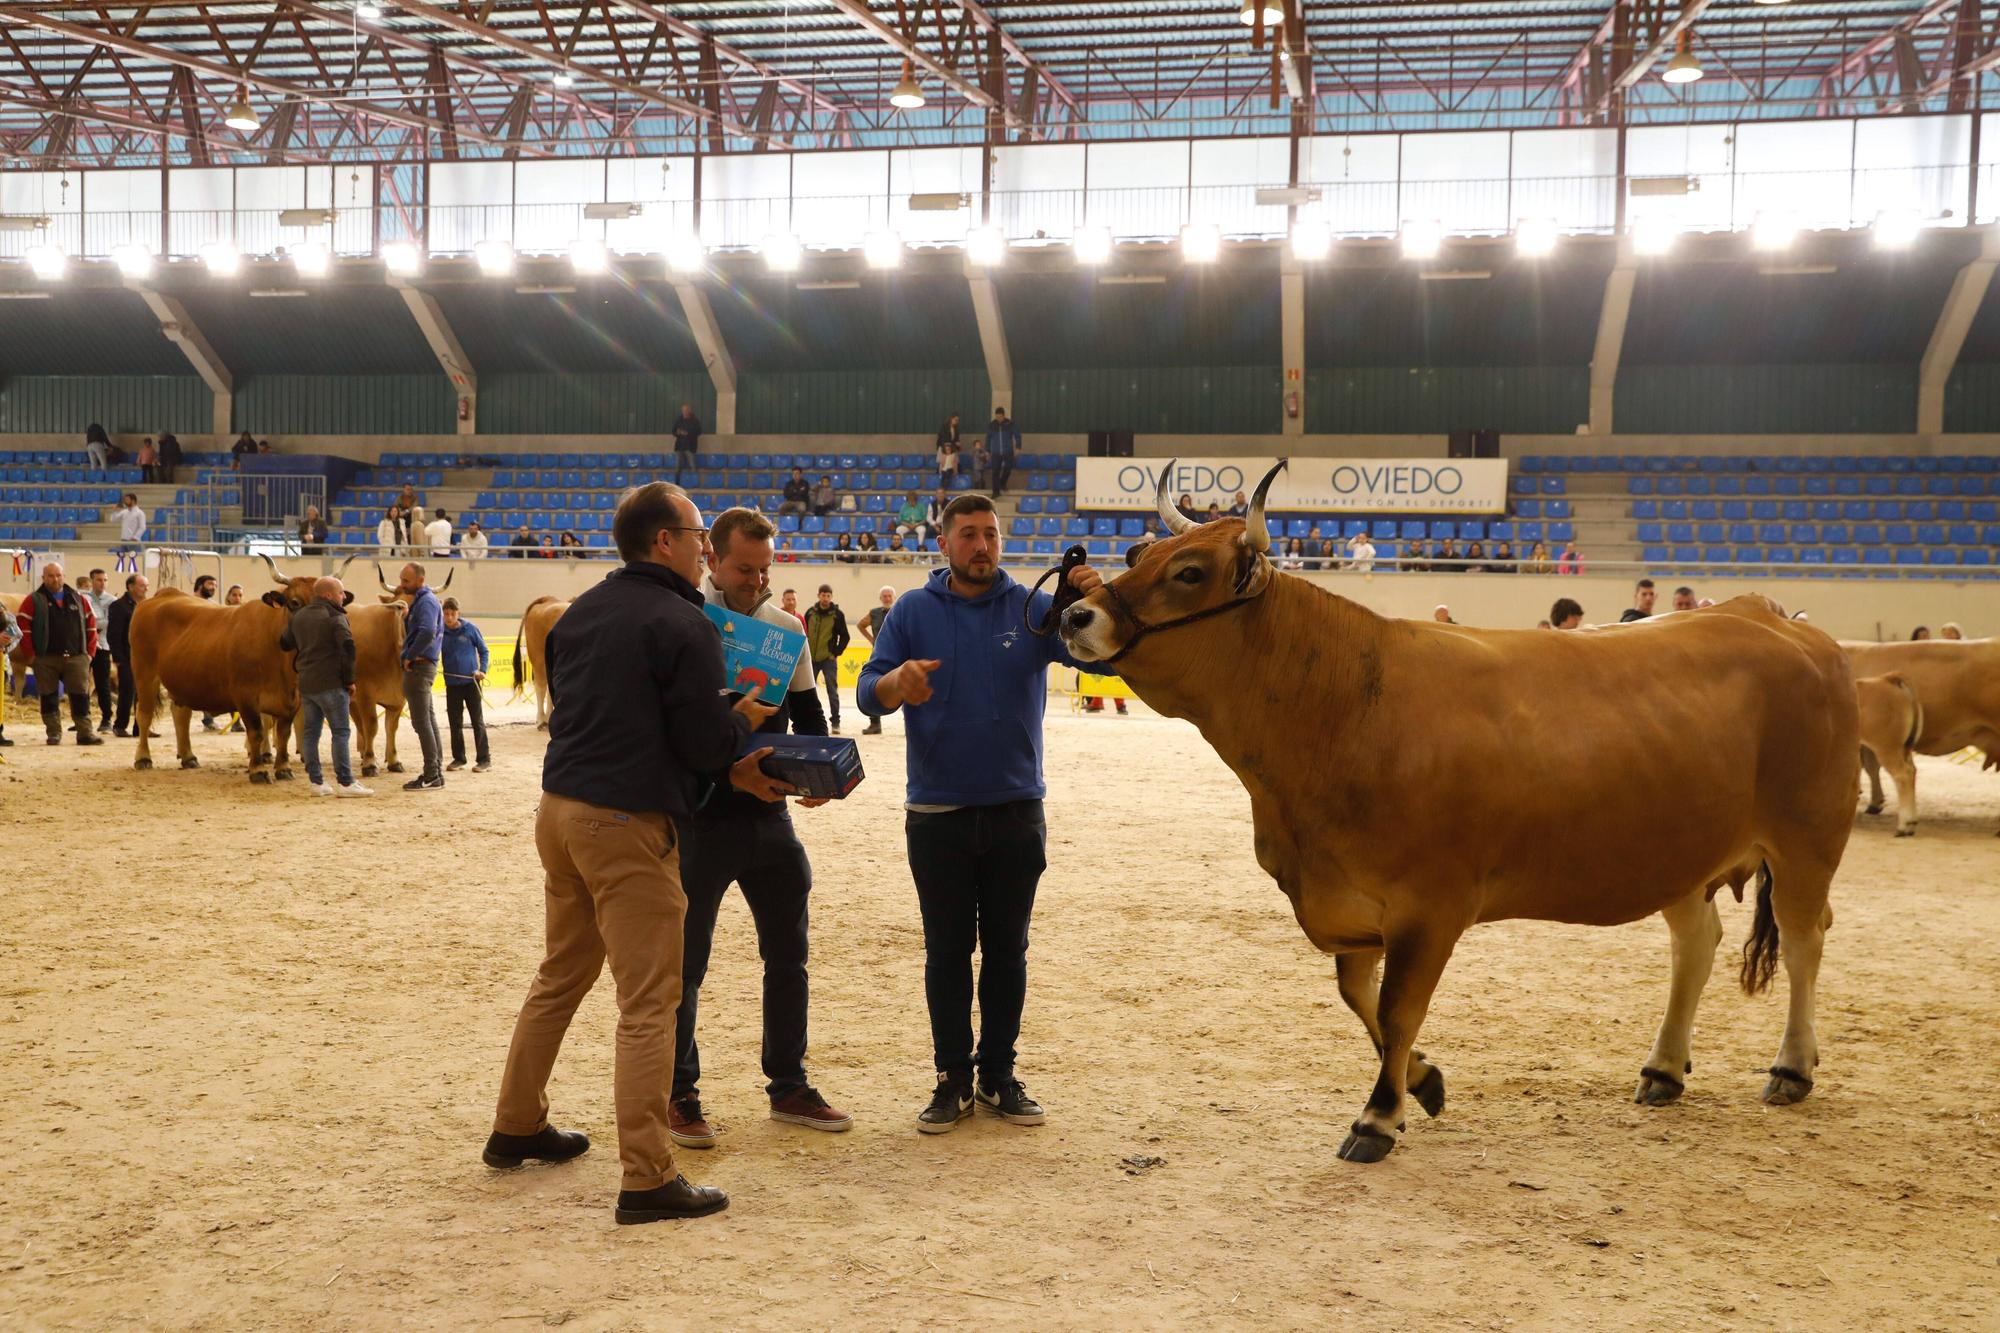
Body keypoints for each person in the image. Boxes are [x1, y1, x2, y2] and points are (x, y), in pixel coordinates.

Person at [487, 481, 774, 1226]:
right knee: (650, 1001)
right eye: (698, 532)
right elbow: (706, 745)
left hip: (560, 811)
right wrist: (741, 719)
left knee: (560, 975)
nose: (706, 546)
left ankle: (516, 1122)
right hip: (625, 821)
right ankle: (647, 1176)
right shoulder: (683, 621)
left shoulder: (582, 611)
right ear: (664, 542)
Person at [856, 493, 1106, 1134]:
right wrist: (894, 684)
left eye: (990, 534)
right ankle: (951, 1079)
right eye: (967, 534)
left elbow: (1100, 653)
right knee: (945, 954)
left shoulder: (1033, 608)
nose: (981, 546)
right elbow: (868, 693)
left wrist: (1092, 595)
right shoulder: (911, 610)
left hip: (1017, 809)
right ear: (943, 543)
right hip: (936, 813)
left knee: (1007, 952)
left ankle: (997, 1075)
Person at [670, 507, 848, 1151]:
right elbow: (673, 736)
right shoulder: (685, 623)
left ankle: (789, 1083)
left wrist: (818, 775)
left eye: (765, 568)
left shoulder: (784, 629)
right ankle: (678, 1094)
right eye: (744, 568)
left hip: (769, 817)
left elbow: (807, 720)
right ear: (711, 558)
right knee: (683, 968)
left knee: (789, 956)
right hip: (699, 818)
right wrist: (726, 777)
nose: (755, 580)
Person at [281, 576, 371, 797]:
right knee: (340, 732)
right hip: (331, 683)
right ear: (329, 595)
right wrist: (349, 680)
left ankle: (316, 782)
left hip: (307, 684)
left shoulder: (299, 616)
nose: (343, 598)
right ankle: (346, 783)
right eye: (341, 594)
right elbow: (348, 649)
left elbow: (284, 643)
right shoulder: (335, 616)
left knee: (311, 733)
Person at [17, 561, 103, 746]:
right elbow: (23, 629)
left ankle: (85, 733)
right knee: (48, 697)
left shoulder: (79, 599)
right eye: (50, 576)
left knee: (81, 696)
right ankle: (53, 733)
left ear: (64, 576)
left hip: (76, 657)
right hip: (45, 658)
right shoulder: (33, 600)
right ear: (43, 578)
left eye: (58, 575)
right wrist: (31, 655)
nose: (55, 579)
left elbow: (91, 627)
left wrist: (89, 654)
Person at [394, 562, 446, 790]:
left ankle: (431, 774)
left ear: (420, 581)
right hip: (425, 666)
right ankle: (435, 771)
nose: (402, 584)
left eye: (406, 580)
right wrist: (407, 616)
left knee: (421, 722)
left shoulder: (426, 601)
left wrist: (410, 656)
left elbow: (427, 631)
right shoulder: (424, 601)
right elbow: (422, 628)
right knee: (429, 720)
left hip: (420, 667)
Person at [440, 597, 491, 774]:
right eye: (446, 614)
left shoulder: (470, 629)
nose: (449, 617)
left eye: (452, 614)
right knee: (455, 723)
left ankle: (484, 760)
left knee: (477, 722)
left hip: (471, 683)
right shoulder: (440, 632)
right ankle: (459, 758)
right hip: (452, 684)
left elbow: (484, 650)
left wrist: (482, 670)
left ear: (458, 613)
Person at [803, 584, 850, 734]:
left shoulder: (837, 614)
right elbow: (803, 632)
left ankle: (835, 722)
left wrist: (835, 653)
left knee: (832, 691)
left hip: (828, 659)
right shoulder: (810, 613)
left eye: (828, 595)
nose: (825, 598)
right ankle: (808, 722)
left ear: (831, 597)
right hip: (810, 659)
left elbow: (845, 636)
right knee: (807, 691)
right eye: (823, 595)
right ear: (818, 595)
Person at [108, 573, 148, 737]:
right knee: (127, 691)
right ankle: (120, 725)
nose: (146, 588)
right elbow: (114, 634)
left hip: (145, 658)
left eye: (146, 585)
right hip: (127, 657)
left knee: (144, 693)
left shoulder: (146, 605)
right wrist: (118, 658)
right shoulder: (119, 606)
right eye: (142, 585)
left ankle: (141, 727)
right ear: (130, 587)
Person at [81, 568, 115, 734]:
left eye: (105, 580)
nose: (102, 583)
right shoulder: (83, 598)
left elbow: (107, 623)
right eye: (99, 580)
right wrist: (94, 622)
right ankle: (82, 717)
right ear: (92, 581)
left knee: (103, 685)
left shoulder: (112, 600)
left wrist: (91, 622)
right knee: (81, 683)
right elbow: (80, 620)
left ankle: (106, 718)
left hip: (103, 646)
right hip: (84, 647)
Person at [986, 407, 1020, 497]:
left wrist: (1018, 447)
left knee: (1008, 468)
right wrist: (987, 451)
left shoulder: (1010, 424)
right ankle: (996, 492)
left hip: (1008, 451)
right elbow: (988, 438)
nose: (998, 419)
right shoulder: (992, 425)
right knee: (995, 472)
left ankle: (1002, 482)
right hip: (996, 452)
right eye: (997, 417)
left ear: (1003, 416)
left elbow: (1017, 435)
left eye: (1000, 417)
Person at [672, 403, 702, 483]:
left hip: (690, 446)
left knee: (692, 465)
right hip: (679, 446)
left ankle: (694, 482)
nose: (684, 412)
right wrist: (678, 433)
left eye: (686, 410)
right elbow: (673, 431)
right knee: (678, 465)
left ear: (689, 411)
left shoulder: (695, 420)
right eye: (683, 410)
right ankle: (677, 483)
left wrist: (688, 433)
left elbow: (699, 432)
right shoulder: (679, 420)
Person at [935, 414, 961, 485]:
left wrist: (957, 444)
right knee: (943, 464)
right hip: (945, 448)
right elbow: (944, 439)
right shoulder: (944, 427)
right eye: (955, 420)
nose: (957, 422)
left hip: (952, 448)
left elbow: (956, 438)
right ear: (951, 419)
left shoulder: (955, 429)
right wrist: (954, 443)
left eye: (958, 420)